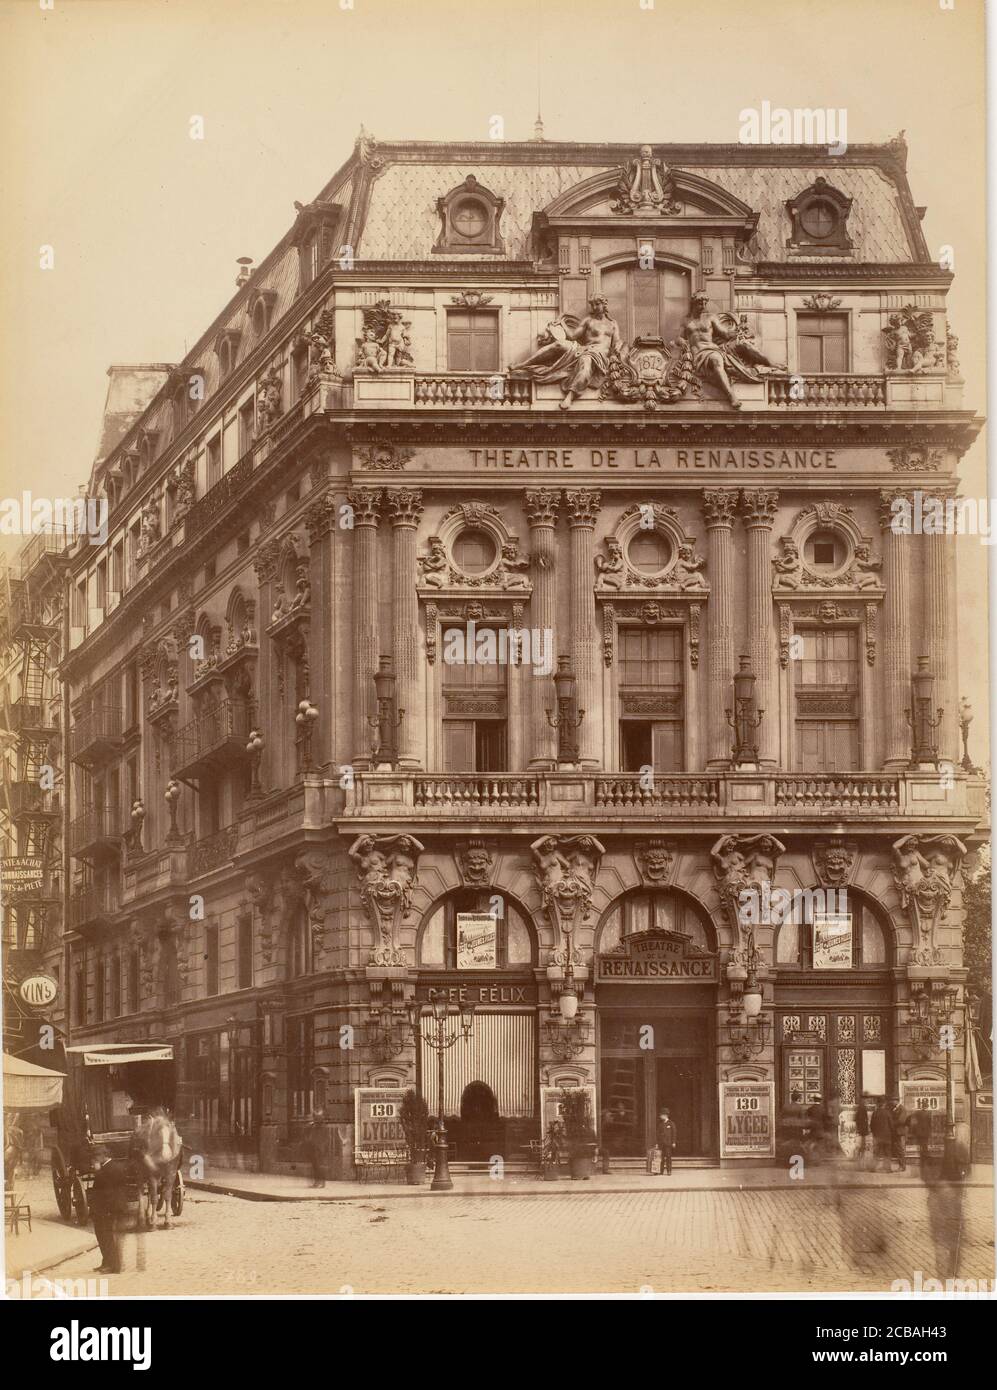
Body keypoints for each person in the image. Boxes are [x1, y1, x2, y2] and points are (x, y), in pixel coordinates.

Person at [90, 1149, 133, 1274]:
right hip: (111, 1206)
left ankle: (112, 1265)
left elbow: (106, 1188)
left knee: (106, 1237)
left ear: (105, 1155)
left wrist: (98, 1171)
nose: (95, 1159)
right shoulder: (113, 1166)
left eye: (97, 1156)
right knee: (105, 1236)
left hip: (108, 1208)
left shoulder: (109, 1169)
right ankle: (107, 1262)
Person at [870, 1096, 893, 1172]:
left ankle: (873, 1168)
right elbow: (891, 1125)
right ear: (884, 1104)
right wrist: (891, 1133)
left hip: (877, 1137)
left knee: (876, 1153)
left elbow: (871, 1125)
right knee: (887, 1153)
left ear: (878, 1104)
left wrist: (875, 1133)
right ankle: (887, 1168)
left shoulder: (875, 1113)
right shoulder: (887, 1113)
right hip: (887, 1137)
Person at [306, 1110, 327, 1189]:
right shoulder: (313, 1126)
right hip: (313, 1148)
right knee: (315, 1166)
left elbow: (323, 1139)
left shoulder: (322, 1127)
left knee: (319, 1166)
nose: (314, 1120)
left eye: (315, 1119)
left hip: (319, 1149)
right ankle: (317, 1182)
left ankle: (321, 1182)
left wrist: (321, 1147)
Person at [911, 1106, 934, 1177]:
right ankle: (925, 1161)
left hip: (919, 1133)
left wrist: (914, 1131)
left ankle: (922, 1160)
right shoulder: (929, 1113)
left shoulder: (917, 1113)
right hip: (925, 1133)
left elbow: (914, 1123)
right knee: (925, 1147)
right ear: (926, 1106)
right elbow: (930, 1124)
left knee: (921, 1146)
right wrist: (930, 1132)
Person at [890, 1095, 909, 1173]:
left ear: (897, 1101)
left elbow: (901, 1121)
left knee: (901, 1149)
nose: (892, 1102)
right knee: (898, 1149)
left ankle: (902, 1166)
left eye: (893, 1100)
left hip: (900, 1132)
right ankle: (901, 1165)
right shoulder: (895, 1109)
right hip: (896, 1132)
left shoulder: (902, 1109)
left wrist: (892, 1123)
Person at [656, 1108, 677, 1176]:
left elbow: (674, 1133)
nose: (660, 1117)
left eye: (661, 1115)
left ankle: (669, 1171)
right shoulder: (660, 1124)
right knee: (661, 1157)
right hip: (661, 1143)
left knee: (668, 1157)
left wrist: (673, 1142)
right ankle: (661, 1171)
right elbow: (658, 1135)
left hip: (668, 1143)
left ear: (665, 1115)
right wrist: (657, 1143)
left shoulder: (671, 1123)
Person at [854, 1093, 871, 1169]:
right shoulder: (862, 1108)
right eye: (865, 1099)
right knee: (861, 1148)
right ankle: (860, 1165)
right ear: (863, 1099)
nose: (867, 1100)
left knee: (861, 1148)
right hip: (862, 1131)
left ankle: (860, 1165)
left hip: (861, 1130)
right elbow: (861, 1120)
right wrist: (864, 1130)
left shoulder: (861, 1107)